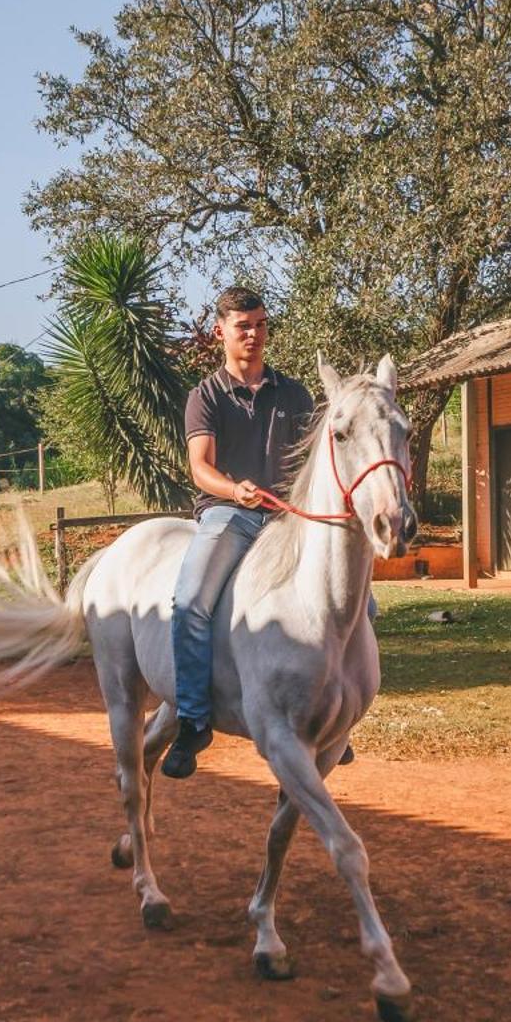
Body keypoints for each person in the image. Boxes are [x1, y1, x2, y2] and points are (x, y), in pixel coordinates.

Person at [161, 285, 315, 780]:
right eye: (243, 326)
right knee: (190, 602)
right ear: (221, 332)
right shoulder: (204, 396)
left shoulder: (294, 393)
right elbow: (200, 469)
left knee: (361, 604)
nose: (253, 334)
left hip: (287, 520)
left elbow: (313, 462)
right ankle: (192, 720)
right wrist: (235, 491)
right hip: (229, 514)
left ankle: (333, 716)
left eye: (261, 324)